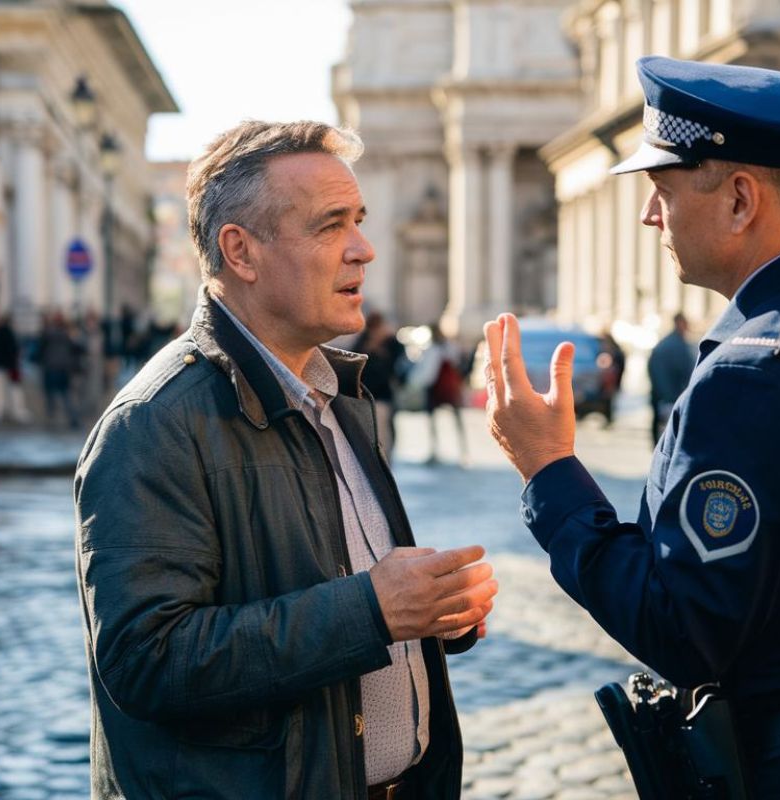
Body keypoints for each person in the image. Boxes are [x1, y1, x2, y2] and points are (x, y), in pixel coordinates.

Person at [483, 56, 780, 797]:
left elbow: (681, 630)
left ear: (741, 199)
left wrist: (549, 473)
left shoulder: (756, 371)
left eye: (662, 190)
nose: (652, 216)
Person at [74, 120, 497, 800]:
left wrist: (430, 618)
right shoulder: (152, 424)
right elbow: (147, 661)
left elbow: (328, 588)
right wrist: (373, 610)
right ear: (240, 251)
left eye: (358, 221)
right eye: (331, 226)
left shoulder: (337, 394)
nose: (364, 250)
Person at [354, 309, 407, 454]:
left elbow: (398, 366)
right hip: (366, 394)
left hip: (382, 395)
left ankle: (386, 460)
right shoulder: (364, 340)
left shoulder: (391, 342)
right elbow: (356, 363)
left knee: (385, 434)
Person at [414, 324, 467, 465]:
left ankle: (462, 451)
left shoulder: (446, 347)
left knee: (454, 419)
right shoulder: (434, 348)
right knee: (436, 421)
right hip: (439, 386)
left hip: (445, 386)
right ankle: (437, 450)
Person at [646, 312, 694, 444]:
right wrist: (669, 395)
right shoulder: (675, 344)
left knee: (662, 430)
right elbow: (686, 371)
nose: (687, 327)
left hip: (664, 395)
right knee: (668, 433)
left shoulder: (669, 342)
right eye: (686, 323)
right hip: (670, 396)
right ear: (679, 323)